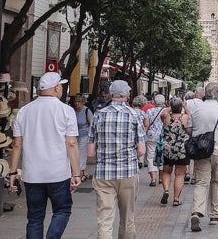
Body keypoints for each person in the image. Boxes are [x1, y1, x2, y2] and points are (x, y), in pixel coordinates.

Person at [9, 72, 81, 239]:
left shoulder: (24, 111)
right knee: (62, 210)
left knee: (34, 218)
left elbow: (17, 144)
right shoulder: (66, 111)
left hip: (32, 174)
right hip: (58, 173)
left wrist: (13, 172)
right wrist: (76, 173)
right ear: (56, 88)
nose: (62, 88)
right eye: (61, 86)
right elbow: (71, 143)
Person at [88, 79, 146, 239]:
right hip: (128, 173)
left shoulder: (98, 115)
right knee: (127, 219)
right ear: (127, 95)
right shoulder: (135, 115)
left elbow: (91, 152)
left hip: (104, 174)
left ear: (111, 94)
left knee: (105, 220)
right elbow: (142, 150)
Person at [188, 82, 218, 232]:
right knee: (216, 182)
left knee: (201, 182)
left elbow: (189, 127)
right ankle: (215, 214)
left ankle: (196, 212)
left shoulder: (197, 108)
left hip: (201, 150)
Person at [159, 97, 190, 207]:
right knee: (179, 174)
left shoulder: (166, 117)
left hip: (168, 148)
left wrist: (170, 108)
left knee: (166, 172)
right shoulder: (185, 118)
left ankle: (166, 190)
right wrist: (185, 107)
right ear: (181, 107)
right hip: (181, 149)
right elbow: (189, 116)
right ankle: (176, 199)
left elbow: (163, 113)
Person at [144, 94, 167, 186]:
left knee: (150, 157)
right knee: (162, 157)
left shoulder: (149, 111)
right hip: (163, 136)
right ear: (164, 102)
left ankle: (153, 179)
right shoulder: (166, 111)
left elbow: (146, 124)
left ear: (154, 101)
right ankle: (161, 178)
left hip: (151, 136)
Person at [69, 95, 93, 181]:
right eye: (75, 102)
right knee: (75, 153)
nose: (76, 103)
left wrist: (92, 137)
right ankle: (84, 172)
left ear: (82, 102)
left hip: (85, 134)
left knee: (81, 154)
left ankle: (80, 172)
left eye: (78, 102)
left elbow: (91, 124)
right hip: (75, 135)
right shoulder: (74, 111)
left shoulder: (87, 111)